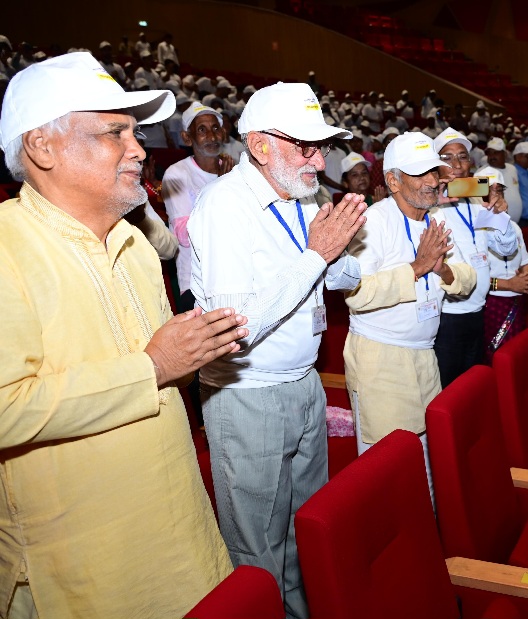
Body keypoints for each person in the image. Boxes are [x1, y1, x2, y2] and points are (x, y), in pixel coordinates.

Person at [0, 51, 248, 618]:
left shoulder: (134, 242)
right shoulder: (4, 247)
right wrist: (154, 368)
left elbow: (164, 367)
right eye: (115, 133)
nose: (138, 150)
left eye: (135, 133)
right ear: (42, 148)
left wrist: (196, 356)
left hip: (177, 531)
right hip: (80, 564)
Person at [188, 82, 366, 619]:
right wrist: (317, 255)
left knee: (302, 528)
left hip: (304, 383)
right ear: (261, 146)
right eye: (304, 146)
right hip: (250, 393)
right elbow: (235, 328)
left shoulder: (302, 197)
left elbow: (340, 274)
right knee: (256, 549)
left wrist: (337, 254)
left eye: (321, 146)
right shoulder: (225, 207)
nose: (318, 160)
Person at [343, 132, 476, 500]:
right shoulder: (372, 221)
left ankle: (426, 546)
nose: (434, 181)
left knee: (428, 464)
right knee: (388, 471)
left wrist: (443, 270)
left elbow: (467, 279)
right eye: (421, 174)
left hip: (425, 357)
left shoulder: (436, 219)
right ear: (393, 181)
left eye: (434, 171)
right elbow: (358, 293)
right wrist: (417, 266)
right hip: (381, 360)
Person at [431, 129, 517, 387]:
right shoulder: (427, 205)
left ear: (471, 163)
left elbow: (505, 248)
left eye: (462, 158)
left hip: (478, 310)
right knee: (446, 389)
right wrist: (432, 200)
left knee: (472, 388)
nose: (456, 166)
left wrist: (500, 213)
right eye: (447, 158)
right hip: (446, 315)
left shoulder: (478, 200)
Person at [163, 104, 232, 312]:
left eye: (215, 128)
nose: (211, 136)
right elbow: (184, 236)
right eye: (201, 130)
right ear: (186, 137)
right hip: (198, 286)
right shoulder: (176, 175)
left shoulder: (236, 172)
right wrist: (221, 187)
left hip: (235, 278)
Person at [479, 166, 528, 361]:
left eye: (499, 190)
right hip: (490, 303)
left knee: (516, 358)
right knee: (495, 359)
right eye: (490, 190)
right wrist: (507, 284)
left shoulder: (513, 226)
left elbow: (526, 262)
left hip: (516, 300)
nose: (496, 196)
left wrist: (524, 279)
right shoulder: (473, 228)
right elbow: (469, 278)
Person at [476, 137, 522, 223]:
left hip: (516, 224)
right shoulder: (481, 174)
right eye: (489, 153)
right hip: (494, 225)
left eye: (496, 153)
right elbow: (478, 204)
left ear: (505, 154)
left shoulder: (512, 169)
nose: (492, 156)